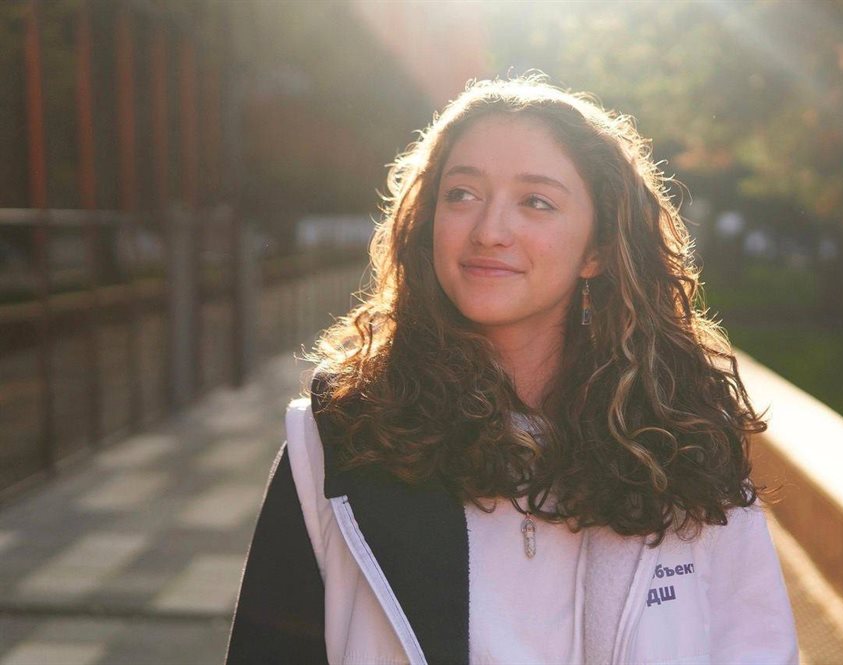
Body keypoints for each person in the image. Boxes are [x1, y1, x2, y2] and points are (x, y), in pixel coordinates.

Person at [226, 74, 799, 665]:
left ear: (597, 250)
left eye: (536, 202)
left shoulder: (684, 445)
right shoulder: (336, 441)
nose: (489, 232)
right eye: (461, 194)